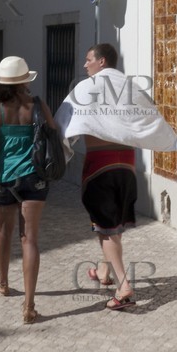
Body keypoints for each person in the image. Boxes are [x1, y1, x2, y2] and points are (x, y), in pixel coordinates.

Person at [0, 55, 58, 325]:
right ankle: (29, 305)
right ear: (24, 80)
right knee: (30, 240)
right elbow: (54, 133)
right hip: (35, 179)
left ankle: (2, 282)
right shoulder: (38, 106)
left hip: (4, 179)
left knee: (3, 232)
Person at [77, 43, 142, 312]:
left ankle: (124, 285)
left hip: (99, 167)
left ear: (102, 61)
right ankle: (105, 271)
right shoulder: (130, 87)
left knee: (105, 230)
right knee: (112, 225)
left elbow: (68, 121)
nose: (85, 65)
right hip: (127, 165)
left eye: (89, 59)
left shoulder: (87, 89)